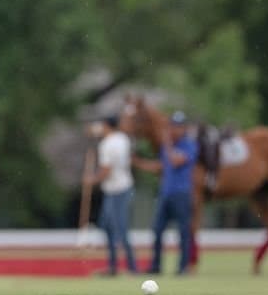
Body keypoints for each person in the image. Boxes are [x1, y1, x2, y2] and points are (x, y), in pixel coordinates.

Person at [136, 110, 198, 275]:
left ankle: (183, 267)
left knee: (183, 231)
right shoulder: (167, 146)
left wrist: (167, 142)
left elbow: (176, 161)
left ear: (184, 128)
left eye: (177, 127)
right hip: (166, 193)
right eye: (172, 126)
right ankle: (156, 266)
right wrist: (138, 162)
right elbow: (161, 166)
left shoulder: (189, 145)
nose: (173, 130)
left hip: (182, 194)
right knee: (157, 230)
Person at [85, 115, 138, 275]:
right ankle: (113, 266)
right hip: (123, 187)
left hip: (117, 190)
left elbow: (106, 170)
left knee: (120, 227)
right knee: (107, 225)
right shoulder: (123, 139)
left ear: (107, 126)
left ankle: (131, 267)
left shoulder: (107, 144)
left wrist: (91, 180)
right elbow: (93, 131)